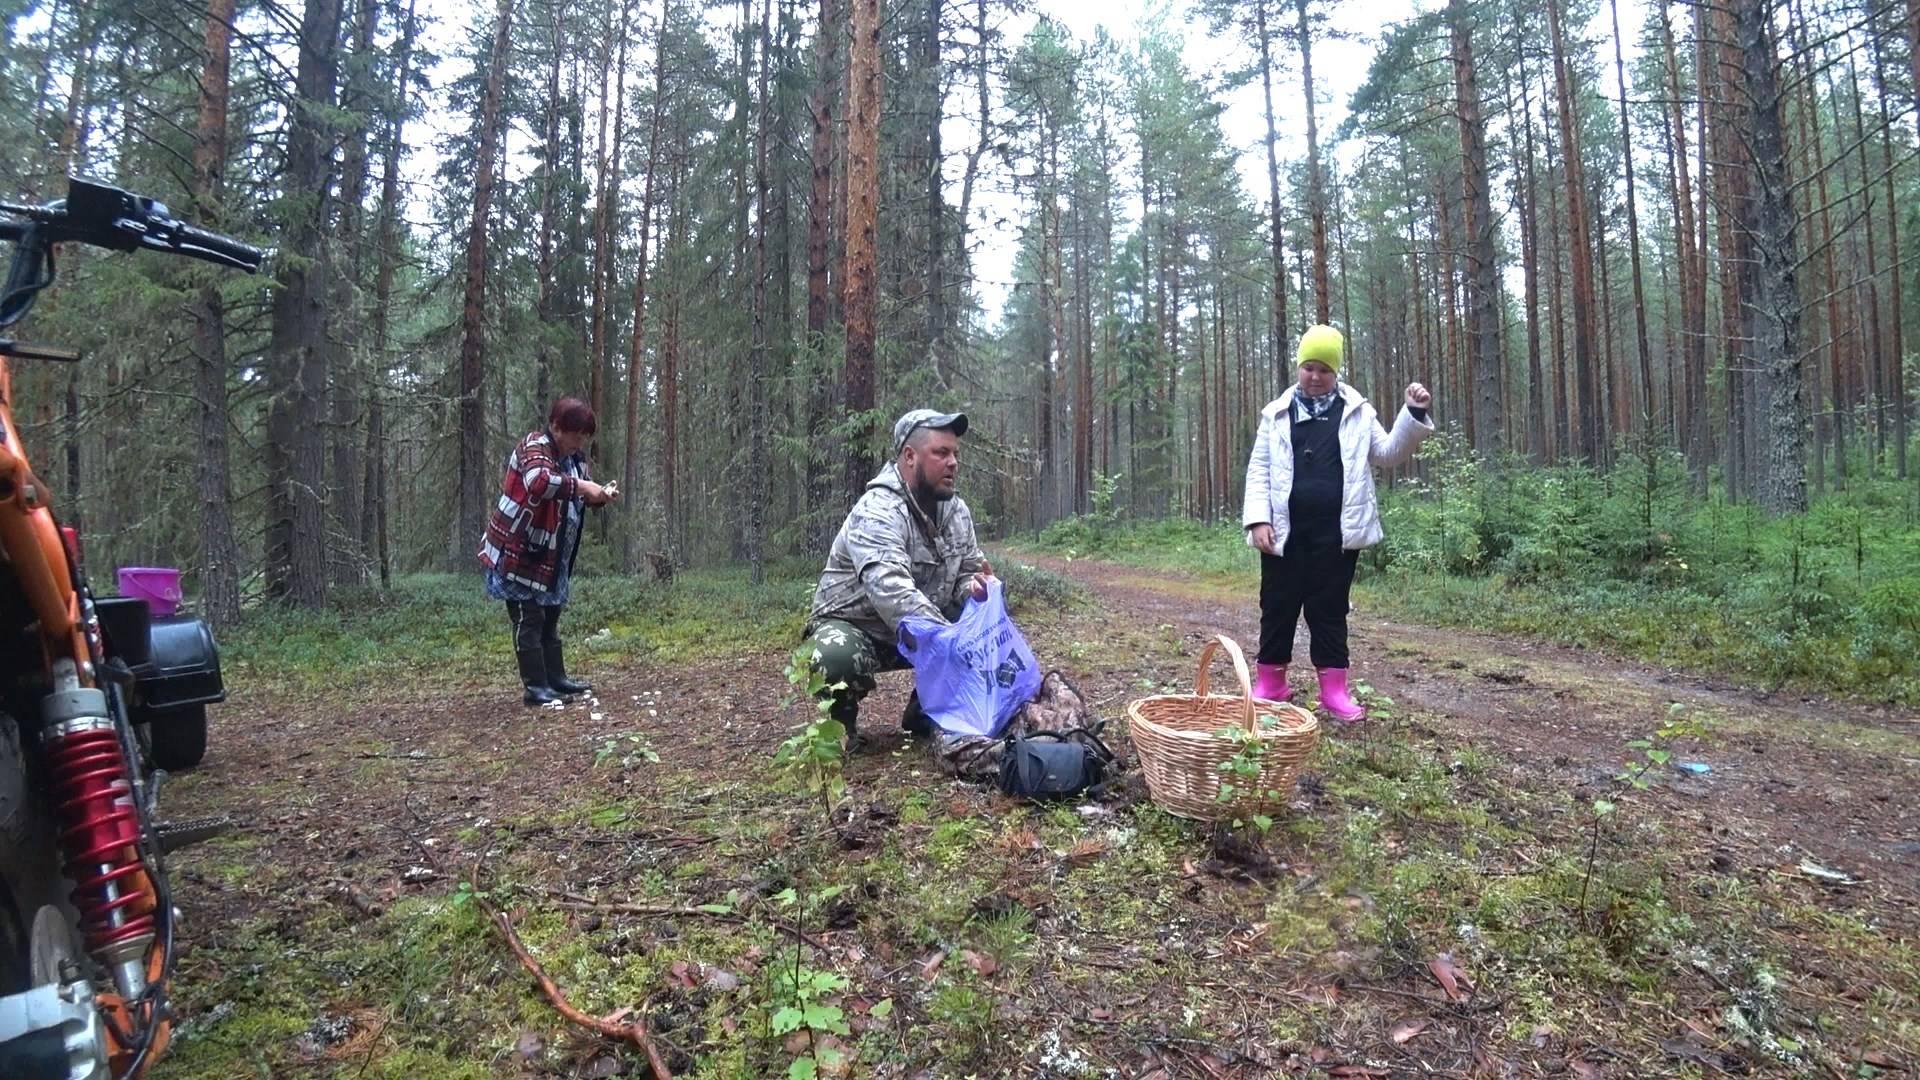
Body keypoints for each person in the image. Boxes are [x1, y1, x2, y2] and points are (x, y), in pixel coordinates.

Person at [1242, 325, 1433, 723]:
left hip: (1336, 535)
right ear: (1299, 367)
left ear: (1336, 372)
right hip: (1283, 533)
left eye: (1324, 369)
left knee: (1328, 610)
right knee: (1277, 606)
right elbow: (1259, 469)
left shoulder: (1357, 412)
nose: (1315, 376)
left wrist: (1412, 415)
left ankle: (1334, 692)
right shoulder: (1276, 414)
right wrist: (1258, 520)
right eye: (1308, 367)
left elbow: (1387, 452)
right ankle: (1271, 686)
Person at [802, 409, 995, 749]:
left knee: (982, 624)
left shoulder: (956, 512)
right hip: (862, 630)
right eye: (941, 453)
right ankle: (840, 724)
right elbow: (892, 593)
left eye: (955, 454)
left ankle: (927, 712)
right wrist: (951, 642)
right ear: (909, 456)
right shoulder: (877, 510)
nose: (953, 463)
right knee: (834, 654)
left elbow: (965, 573)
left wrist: (976, 592)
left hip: (917, 632)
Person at [478, 397, 619, 706]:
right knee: (528, 618)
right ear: (556, 427)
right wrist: (585, 487)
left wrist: (598, 496)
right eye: (574, 433)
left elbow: (574, 494)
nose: (579, 440)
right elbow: (539, 482)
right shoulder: (534, 446)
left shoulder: (576, 458)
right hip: (518, 550)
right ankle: (535, 687)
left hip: (551, 555)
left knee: (550, 617)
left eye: (584, 435)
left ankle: (555, 678)